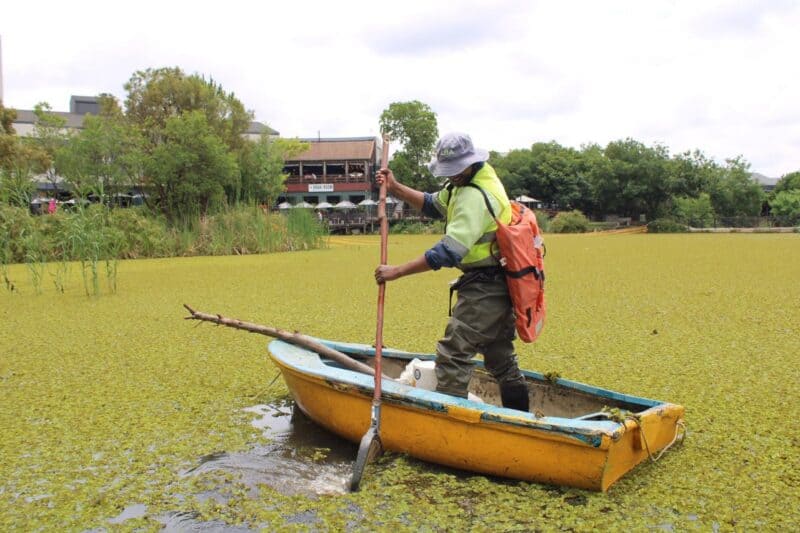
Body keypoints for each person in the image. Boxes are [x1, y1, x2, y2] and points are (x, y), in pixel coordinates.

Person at [374, 132, 529, 411]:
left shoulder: (476, 195)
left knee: (453, 354)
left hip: (486, 288)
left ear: (470, 162)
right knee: (499, 357)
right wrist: (396, 187)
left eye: (456, 170)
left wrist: (395, 272)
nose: (453, 176)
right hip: (492, 285)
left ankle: (450, 426)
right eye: (450, 171)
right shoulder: (468, 179)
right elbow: (435, 204)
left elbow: (447, 252)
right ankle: (524, 421)